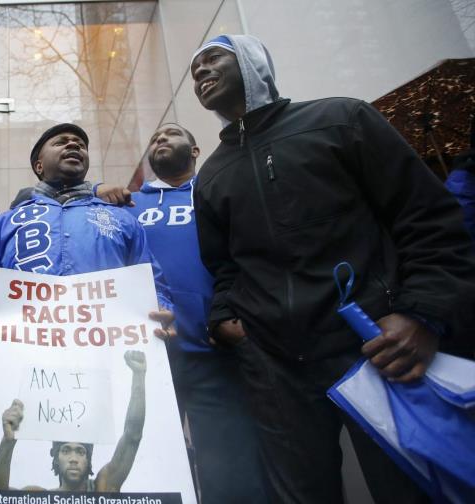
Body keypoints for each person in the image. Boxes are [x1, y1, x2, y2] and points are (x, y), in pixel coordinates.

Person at [189, 34, 475, 503]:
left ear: (254, 62)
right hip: (275, 367)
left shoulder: (342, 118)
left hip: (374, 349)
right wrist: (227, 321)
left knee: (405, 490)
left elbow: (427, 219)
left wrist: (421, 314)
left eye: (213, 58)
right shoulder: (213, 175)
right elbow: (223, 265)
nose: (200, 71)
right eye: (195, 67)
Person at [119, 122, 267, 502]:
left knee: (228, 466)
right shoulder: (128, 205)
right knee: (147, 465)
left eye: (171, 134)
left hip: (214, 351)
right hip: (146, 357)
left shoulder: (216, 194)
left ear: (196, 150)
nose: (160, 140)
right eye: (154, 138)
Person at [0, 123, 176, 349]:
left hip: (110, 357)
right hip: (23, 359)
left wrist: (161, 308)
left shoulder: (122, 218)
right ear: (39, 166)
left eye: (80, 145)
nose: (73, 144)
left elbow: (151, 281)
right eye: (61, 142)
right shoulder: (3, 224)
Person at [0, 350, 147, 492]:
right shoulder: (41, 497)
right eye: (66, 450)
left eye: (80, 451)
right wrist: (7, 442)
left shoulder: (101, 488)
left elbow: (132, 436)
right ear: (56, 457)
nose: (73, 459)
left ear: (89, 459)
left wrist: (139, 376)